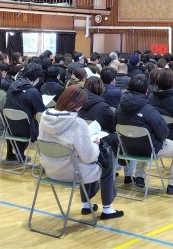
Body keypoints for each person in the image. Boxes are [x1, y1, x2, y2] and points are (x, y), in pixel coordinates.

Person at [38, 85, 124, 220]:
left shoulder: (44, 117)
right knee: (106, 163)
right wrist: (94, 143)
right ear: (77, 104)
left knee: (82, 160)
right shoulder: (77, 124)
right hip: (71, 171)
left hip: (50, 168)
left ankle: (86, 204)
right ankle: (107, 209)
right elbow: (89, 157)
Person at [115, 74, 173, 195]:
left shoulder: (119, 107)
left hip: (127, 147)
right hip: (147, 147)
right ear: (146, 90)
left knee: (144, 141)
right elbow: (164, 133)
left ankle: (140, 177)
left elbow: (115, 126)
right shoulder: (148, 109)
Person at [5, 63, 46, 162]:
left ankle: (11, 154)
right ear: (36, 78)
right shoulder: (33, 92)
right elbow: (41, 112)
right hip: (27, 129)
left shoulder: (12, 86)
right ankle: (47, 159)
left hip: (9, 126)